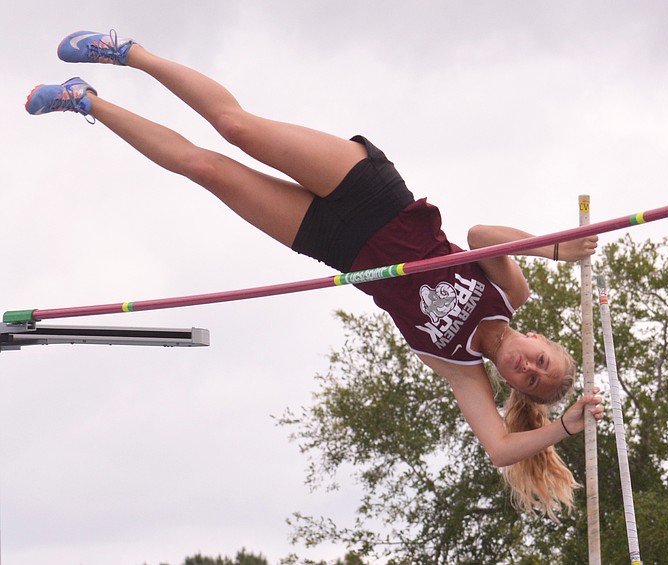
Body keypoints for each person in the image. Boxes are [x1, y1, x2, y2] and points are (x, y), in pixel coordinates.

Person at [26, 30, 603, 519]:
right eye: (541, 361)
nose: (528, 368)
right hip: (375, 196)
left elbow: (501, 449)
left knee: (204, 168)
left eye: (529, 381)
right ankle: (128, 53)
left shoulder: (460, 369)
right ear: (542, 341)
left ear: (513, 387)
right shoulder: (512, 293)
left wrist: (567, 427)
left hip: (337, 249)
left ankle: (85, 102)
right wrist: (555, 250)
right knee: (237, 128)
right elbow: (481, 237)